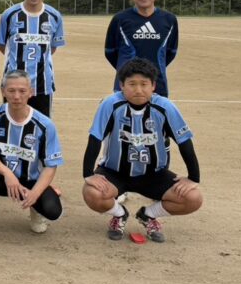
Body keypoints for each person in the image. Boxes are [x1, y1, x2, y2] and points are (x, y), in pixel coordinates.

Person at [82, 58, 203, 242]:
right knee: (92, 193)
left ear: (153, 86)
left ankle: (148, 215)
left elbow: (184, 141)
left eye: (144, 84)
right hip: (115, 172)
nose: (138, 90)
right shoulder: (111, 105)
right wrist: (88, 174)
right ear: (122, 85)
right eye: (132, 84)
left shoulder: (165, 107)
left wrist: (193, 177)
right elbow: (95, 138)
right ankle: (119, 214)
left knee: (193, 198)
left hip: (154, 174)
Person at [0, 71, 63, 239]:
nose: (17, 96)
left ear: (31, 92)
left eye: (22, 91)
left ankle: (35, 209)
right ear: (3, 91)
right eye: (11, 90)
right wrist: (7, 173)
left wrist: (35, 193)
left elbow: (51, 166)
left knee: (52, 210)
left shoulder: (45, 124)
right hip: (3, 179)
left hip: (31, 181)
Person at [0, 0, 65, 117]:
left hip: (43, 84)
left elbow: (52, 48)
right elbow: (2, 44)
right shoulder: (9, 15)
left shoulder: (54, 16)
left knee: (42, 124)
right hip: (14, 84)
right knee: (11, 123)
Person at [104, 0, 179, 96]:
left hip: (158, 86)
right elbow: (110, 52)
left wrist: (152, 70)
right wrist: (126, 69)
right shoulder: (120, 19)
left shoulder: (169, 20)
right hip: (126, 86)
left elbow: (171, 52)